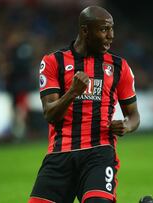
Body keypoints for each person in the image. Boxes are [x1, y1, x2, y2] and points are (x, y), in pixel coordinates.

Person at [29, 6, 143, 203]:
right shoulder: (53, 62)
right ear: (85, 31)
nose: (111, 36)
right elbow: (50, 114)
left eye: (111, 29)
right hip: (60, 154)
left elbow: (134, 115)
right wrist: (72, 92)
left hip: (99, 153)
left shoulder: (119, 66)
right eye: (104, 29)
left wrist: (126, 125)